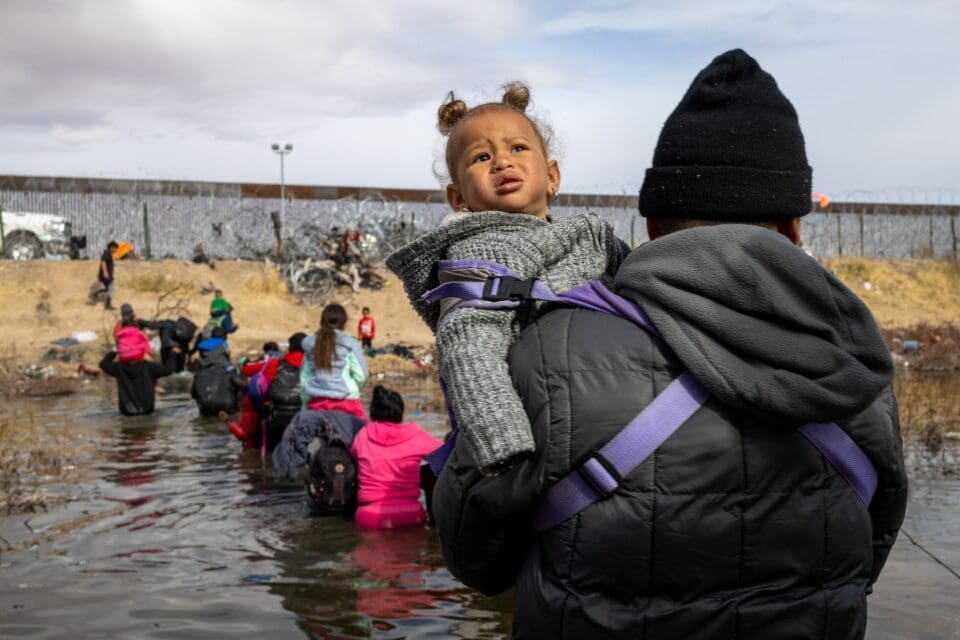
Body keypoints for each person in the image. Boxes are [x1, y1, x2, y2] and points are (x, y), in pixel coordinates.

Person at [429, 50, 908, 639]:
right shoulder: (856, 359)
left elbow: (478, 558)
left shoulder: (544, 346)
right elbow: (875, 540)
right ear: (792, 229)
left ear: (651, 226)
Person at [386, 81, 627, 475]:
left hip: (606, 415)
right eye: (481, 157)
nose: (502, 162)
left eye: (518, 148)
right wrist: (504, 443)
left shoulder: (590, 235)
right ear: (459, 198)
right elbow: (467, 342)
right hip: (539, 434)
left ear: (552, 176)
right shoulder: (479, 252)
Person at [350, 385, 442, 529]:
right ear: (401, 412)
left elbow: (354, 459)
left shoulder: (363, 435)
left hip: (369, 518)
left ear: (373, 412)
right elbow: (446, 456)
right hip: (410, 516)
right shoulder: (415, 435)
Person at [224, 334, 306, 450]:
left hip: (275, 417)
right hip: (304, 417)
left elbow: (247, 369)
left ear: (290, 348)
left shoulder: (275, 362)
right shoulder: (315, 365)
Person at [300, 303, 369, 419]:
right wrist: (352, 388)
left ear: (321, 322)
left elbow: (304, 380)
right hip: (347, 404)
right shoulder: (350, 344)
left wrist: (305, 406)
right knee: (364, 434)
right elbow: (362, 376)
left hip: (316, 403)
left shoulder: (309, 344)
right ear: (345, 324)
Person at [99, 347, 178, 415]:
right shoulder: (150, 367)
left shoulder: (118, 368)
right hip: (147, 411)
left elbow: (103, 364)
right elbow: (168, 370)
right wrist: (173, 354)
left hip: (126, 411)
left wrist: (115, 350)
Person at [190, 326, 245, 417]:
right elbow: (241, 384)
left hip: (205, 409)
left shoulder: (199, 374)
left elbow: (193, 394)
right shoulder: (228, 368)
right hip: (226, 407)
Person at [93, 240, 119, 310]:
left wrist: (113, 267)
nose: (116, 249)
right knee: (111, 289)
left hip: (107, 275)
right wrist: (105, 273)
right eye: (115, 248)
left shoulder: (108, 254)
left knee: (108, 289)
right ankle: (108, 305)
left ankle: (96, 293)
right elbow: (103, 262)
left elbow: (109, 263)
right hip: (106, 275)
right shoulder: (106, 253)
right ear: (111, 247)